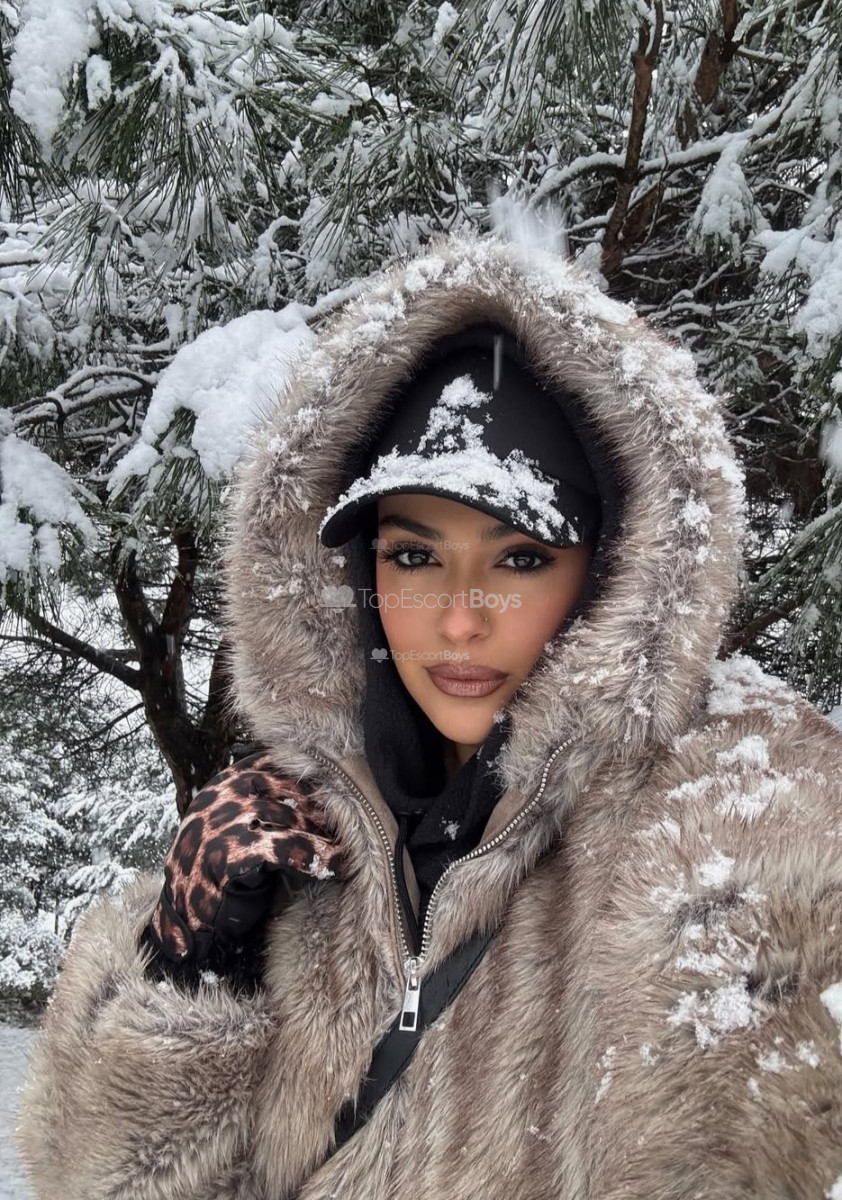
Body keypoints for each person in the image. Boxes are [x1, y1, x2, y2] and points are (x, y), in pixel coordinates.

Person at [16, 231, 842, 1199]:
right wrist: (191, 963)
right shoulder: (311, 850)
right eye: (413, 556)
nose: (457, 619)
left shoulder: (733, 818)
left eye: (520, 557)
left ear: (615, 566)